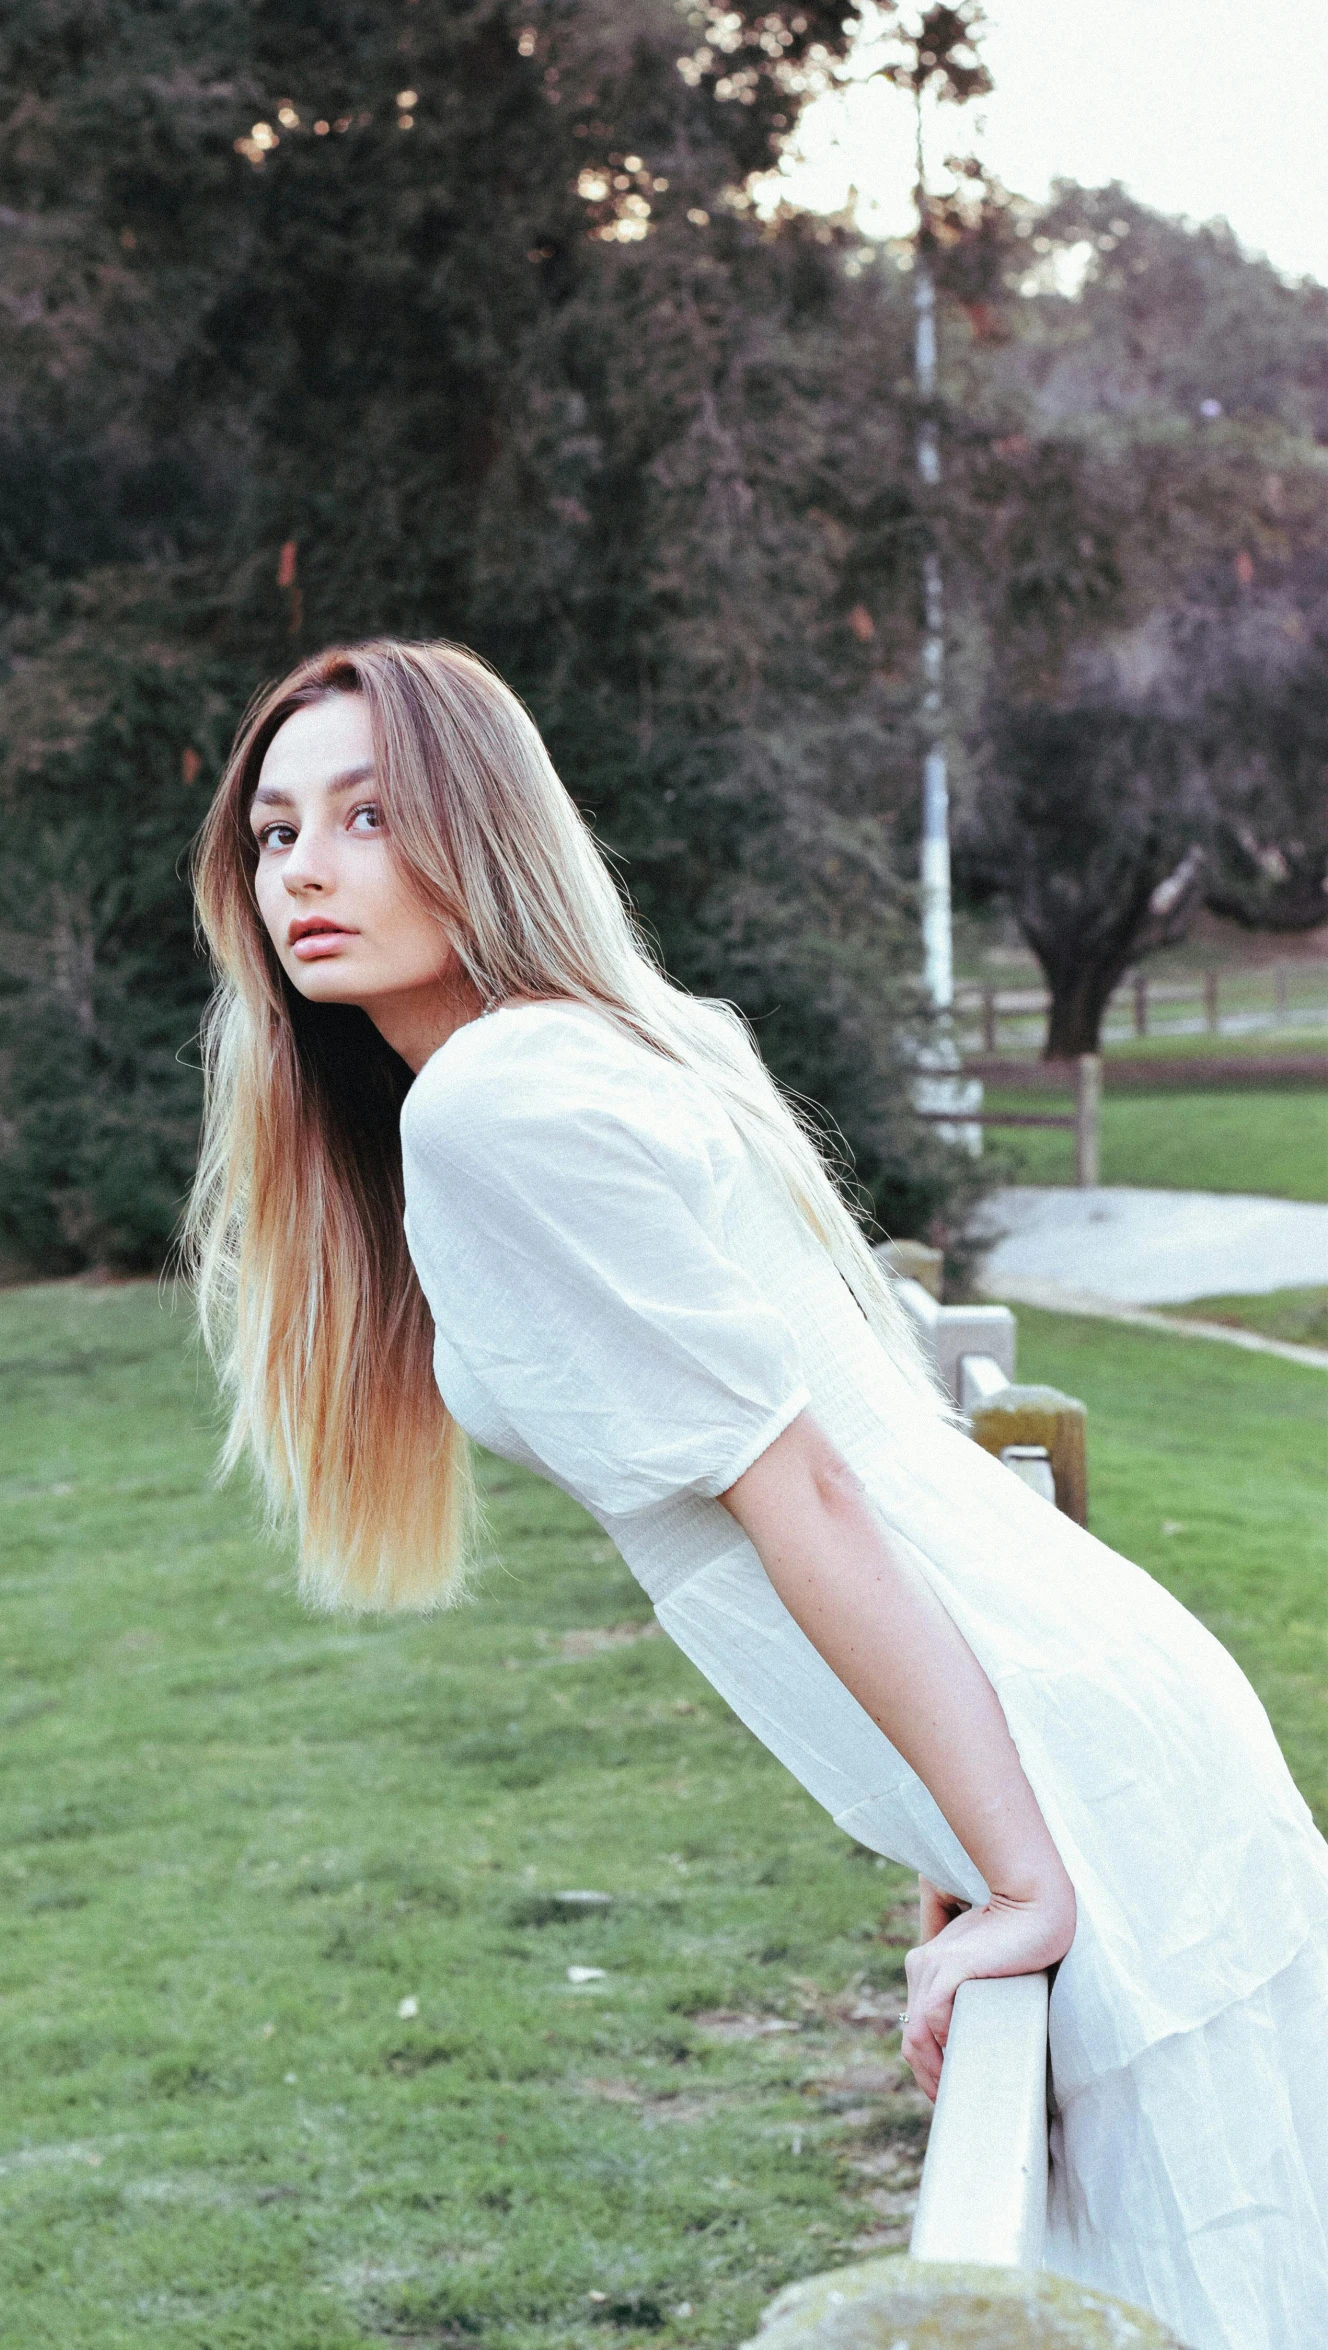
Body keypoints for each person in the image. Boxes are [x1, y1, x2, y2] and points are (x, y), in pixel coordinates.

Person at [184, 637, 1328, 2350]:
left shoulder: (499, 1097)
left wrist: (1015, 1876)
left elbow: (806, 1490)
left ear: (481, 829)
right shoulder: (594, 1047)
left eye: (368, 813)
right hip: (1087, 1709)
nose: (307, 870)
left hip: (1074, 1763)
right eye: (275, 832)